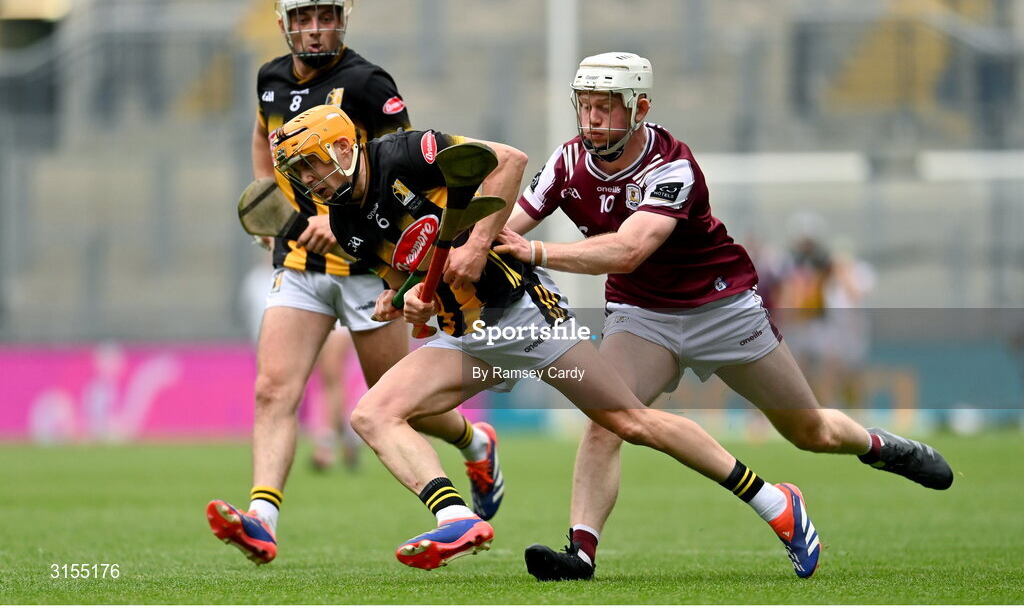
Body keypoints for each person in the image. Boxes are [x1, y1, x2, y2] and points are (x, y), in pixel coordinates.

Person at [270, 103, 822, 577]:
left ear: (342, 146)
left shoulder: (407, 152)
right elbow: (403, 277)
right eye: (301, 173)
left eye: (312, 164)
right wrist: (407, 298)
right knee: (373, 414)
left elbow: (508, 160)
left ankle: (776, 502)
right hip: (468, 335)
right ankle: (455, 519)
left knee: (628, 421)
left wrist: (478, 242)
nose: (311, 180)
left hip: (526, 314)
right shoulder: (342, 222)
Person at [493, 52, 954, 581]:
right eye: (586, 106)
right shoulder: (566, 162)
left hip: (721, 309)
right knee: (607, 421)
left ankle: (880, 447)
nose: (593, 119)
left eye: (606, 108)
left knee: (810, 432)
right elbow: (508, 227)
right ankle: (580, 553)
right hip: (642, 317)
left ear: (639, 107)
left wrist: (534, 254)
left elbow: (626, 251)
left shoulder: (673, 166)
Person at [205, 0, 503, 566]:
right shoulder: (269, 78)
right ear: (285, 22)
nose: (315, 27)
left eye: (326, 16)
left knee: (402, 404)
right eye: (304, 17)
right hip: (299, 261)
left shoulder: (368, 83)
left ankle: (475, 440)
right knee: (273, 390)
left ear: (342, 18)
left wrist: (342, 224)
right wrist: (272, 205)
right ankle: (262, 519)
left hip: (370, 266)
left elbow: (402, 175)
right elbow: (264, 143)